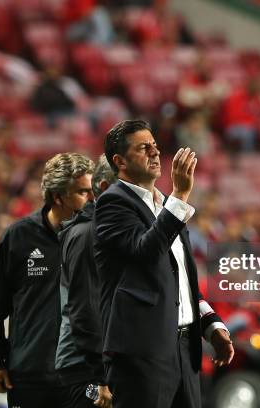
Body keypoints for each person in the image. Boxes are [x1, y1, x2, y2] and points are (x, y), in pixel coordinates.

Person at [94, 119, 234, 408]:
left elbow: (180, 278)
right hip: (143, 354)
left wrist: (210, 324)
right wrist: (180, 195)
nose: (155, 152)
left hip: (185, 350)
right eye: (144, 148)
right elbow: (146, 253)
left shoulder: (164, 205)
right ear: (120, 161)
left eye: (155, 146)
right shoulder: (113, 203)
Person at [0, 152, 94, 408]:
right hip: (31, 377)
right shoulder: (18, 238)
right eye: (83, 192)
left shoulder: (98, 237)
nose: (93, 200)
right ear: (57, 196)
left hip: (85, 377)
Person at [56, 155, 116, 408]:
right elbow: (85, 311)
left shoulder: (106, 231)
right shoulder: (86, 235)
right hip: (85, 368)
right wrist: (101, 375)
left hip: (100, 362)